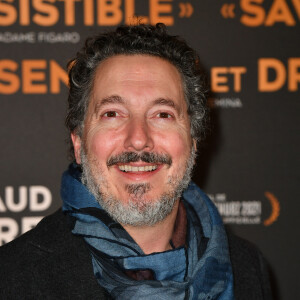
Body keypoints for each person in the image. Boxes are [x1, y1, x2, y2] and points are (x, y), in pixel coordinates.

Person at [0, 23, 272, 299]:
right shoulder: (12, 276)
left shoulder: (246, 267)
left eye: (162, 114)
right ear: (79, 142)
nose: (139, 139)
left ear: (193, 141)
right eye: (112, 114)